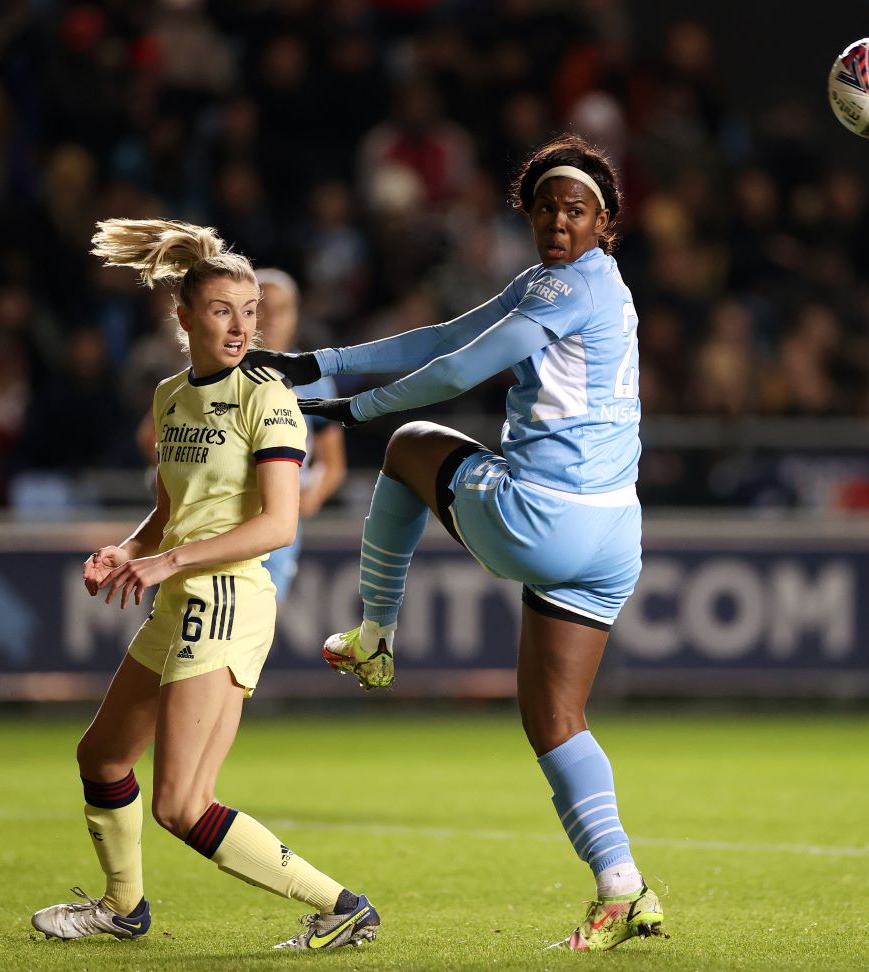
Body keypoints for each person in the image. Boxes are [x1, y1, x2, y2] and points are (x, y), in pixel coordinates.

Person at [250, 135, 666, 952]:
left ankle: (373, 637)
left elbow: (457, 371)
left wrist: (349, 410)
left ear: (604, 222)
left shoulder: (564, 292)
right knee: (554, 717)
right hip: (615, 530)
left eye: (575, 209)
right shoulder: (580, 284)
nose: (557, 218)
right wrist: (318, 363)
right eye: (545, 205)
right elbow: (440, 336)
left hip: (544, 515)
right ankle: (623, 889)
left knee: (408, 445)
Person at [30, 219, 380, 951]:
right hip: (181, 596)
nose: (240, 326)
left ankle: (340, 905)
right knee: (101, 757)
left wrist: (167, 563)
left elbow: (280, 524)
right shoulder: (170, 396)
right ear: (184, 317)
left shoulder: (269, 397)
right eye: (223, 310)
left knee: (182, 804)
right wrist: (126, 550)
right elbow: (169, 514)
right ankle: (123, 907)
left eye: (249, 311)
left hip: (225, 599)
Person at [253, 267, 347, 600]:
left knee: (256, 629)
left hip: (279, 525)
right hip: (222, 517)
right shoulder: (218, 367)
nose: (271, 319)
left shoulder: (314, 379)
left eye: (282, 309)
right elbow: (154, 436)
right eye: (260, 308)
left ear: (296, 314)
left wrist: (313, 493)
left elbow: (333, 462)